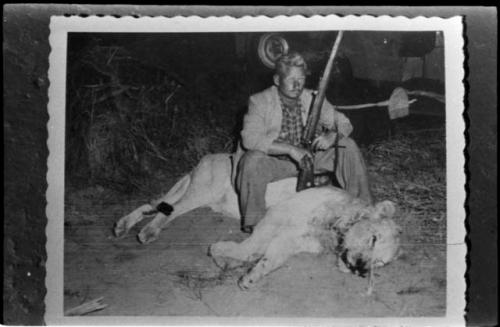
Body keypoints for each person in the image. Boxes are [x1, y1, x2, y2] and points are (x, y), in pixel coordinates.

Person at [232, 52, 372, 233]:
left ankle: (363, 209)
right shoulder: (259, 101)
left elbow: (344, 123)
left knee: (348, 145)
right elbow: (250, 139)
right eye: (290, 79)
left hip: (310, 159)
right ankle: (255, 226)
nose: (297, 85)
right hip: (276, 163)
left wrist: (333, 135)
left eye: (301, 79)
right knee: (251, 160)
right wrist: (290, 150)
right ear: (276, 79)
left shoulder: (312, 98)